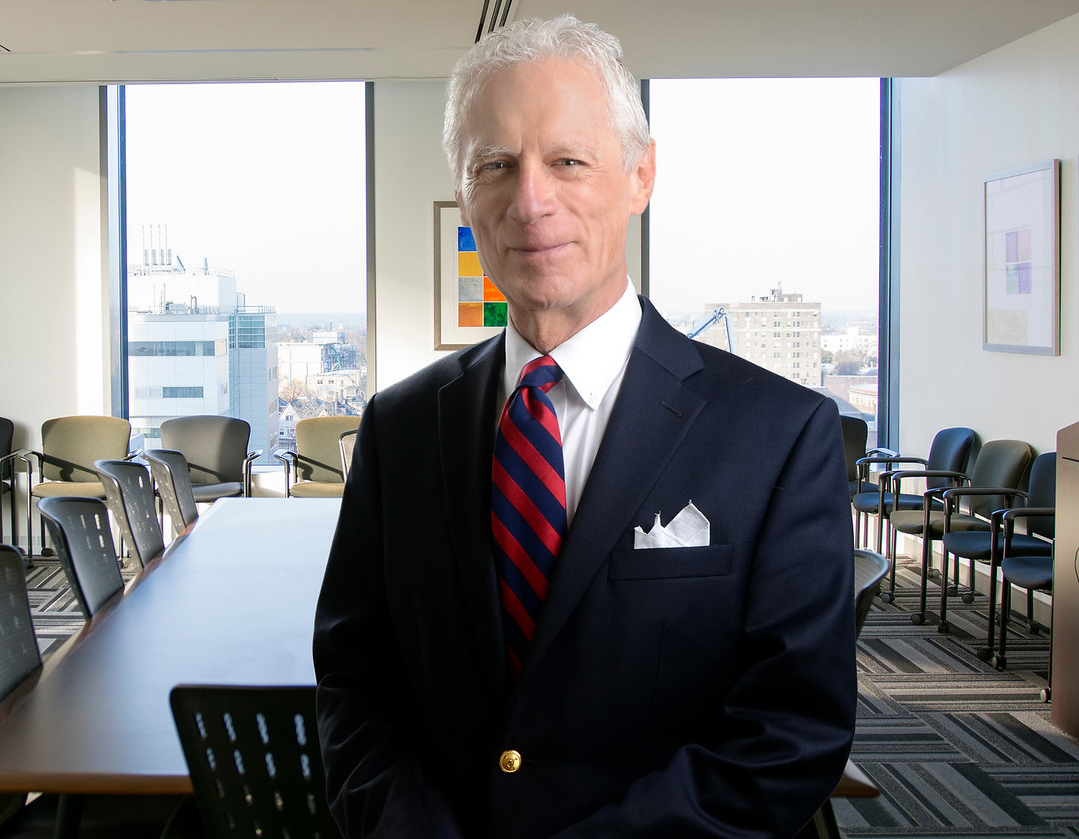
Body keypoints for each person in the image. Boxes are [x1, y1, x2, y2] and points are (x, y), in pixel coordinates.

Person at [313, 14, 857, 839]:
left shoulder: (780, 436)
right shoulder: (400, 427)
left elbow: (790, 732)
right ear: (465, 191)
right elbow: (357, 683)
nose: (530, 201)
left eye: (568, 160)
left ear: (640, 176)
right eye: (495, 165)